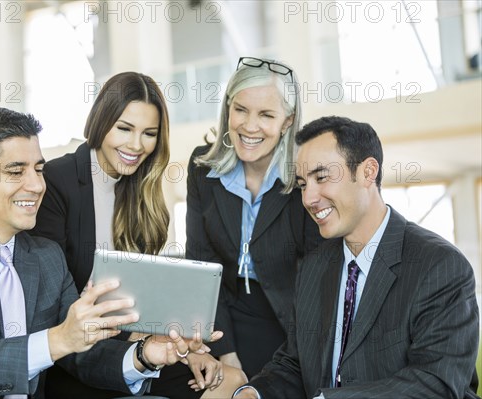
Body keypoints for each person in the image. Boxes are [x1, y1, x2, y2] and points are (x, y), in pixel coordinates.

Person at [0, 107, 214, 399]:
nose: (37, 185)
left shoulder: (45, 256)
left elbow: (79, 352)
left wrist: (144, 354)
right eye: (16, 172)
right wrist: (58, 339)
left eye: (38, 169)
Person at [31, 72, 246, 398]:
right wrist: (142, 345)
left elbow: (141, 301)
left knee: (229, 380)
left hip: (134, 343)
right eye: (124, 129)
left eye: (149, 134)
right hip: (78, 355)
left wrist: (187, 349)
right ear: (101, 122)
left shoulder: (139, 188)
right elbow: (53, 306)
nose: (136, 145)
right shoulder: (57, 182)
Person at [233, 116, 480, 398]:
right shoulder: (315, 266)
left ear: (367, 172)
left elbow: (437, 383)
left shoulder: (439, 266)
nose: (309, 198)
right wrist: (254, 393)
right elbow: (295, 363)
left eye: (321, 177)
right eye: (303, 184)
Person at [185, 57, 322, 378]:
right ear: (228, 108)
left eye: (266, 115)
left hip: (291, 325)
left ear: (287, 122)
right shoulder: (201, 168)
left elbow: (318, 278)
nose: (249, 126)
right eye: (241, 109)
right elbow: (201, 265)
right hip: (223, 318)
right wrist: (226, 355)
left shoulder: (305, 176)